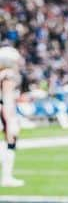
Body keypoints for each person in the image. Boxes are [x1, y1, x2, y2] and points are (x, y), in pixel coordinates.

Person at [0, 47, 24, 188]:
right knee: (10, 142)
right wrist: (10, 120)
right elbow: (8, 99)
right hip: (4, 110)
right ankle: (7, 177)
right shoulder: (8, 75)